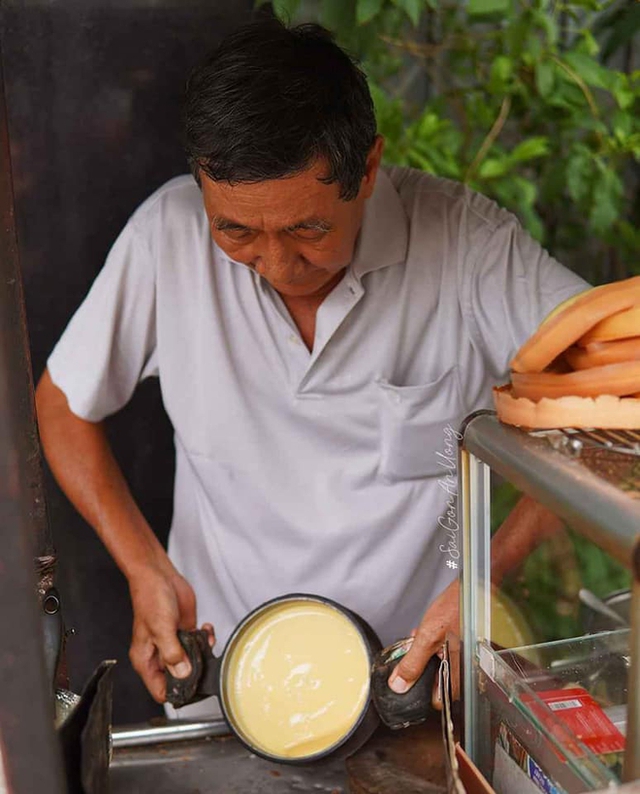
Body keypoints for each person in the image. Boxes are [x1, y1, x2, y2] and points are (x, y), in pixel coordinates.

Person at [35, 17, 588, 715]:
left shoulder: (467, 244)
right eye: (236, 230)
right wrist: (144, 566)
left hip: (412, 686)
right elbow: (63, 403)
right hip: (228, 688)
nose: (274, 263)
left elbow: (616, 399)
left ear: (370, 167)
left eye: (307, 229)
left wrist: (486, 579)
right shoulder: (165, 238)